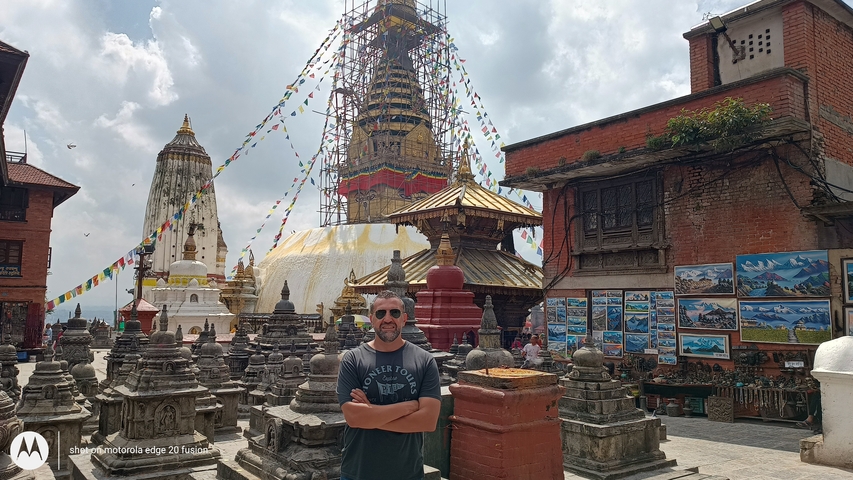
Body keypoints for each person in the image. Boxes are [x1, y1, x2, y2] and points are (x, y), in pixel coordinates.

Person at [336, 290, 441, 480]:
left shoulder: (424, 361)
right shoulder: (353, 360)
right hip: (358, 472)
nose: (387, 319)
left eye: (394, 313)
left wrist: (371, 413)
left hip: (407, 473)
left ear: (404, 318)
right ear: (372, 319)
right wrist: (409, 407)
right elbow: (354, 418)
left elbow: (428, 421)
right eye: (380, 313)